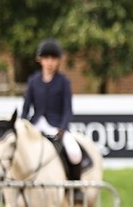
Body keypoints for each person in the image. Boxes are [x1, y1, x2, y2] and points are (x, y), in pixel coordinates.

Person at [21, 38, 86, 182]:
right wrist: (22, 125)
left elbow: (67, 109)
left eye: (53, 58)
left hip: (56, 126)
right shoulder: (33, 81)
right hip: (36, 124)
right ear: (40, 60)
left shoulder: (63, 81)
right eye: (46, 58)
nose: (49, 62)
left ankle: (75, 187)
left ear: (58, 61)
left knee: (75, 153)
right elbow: (26, 108)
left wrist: (62, 128)